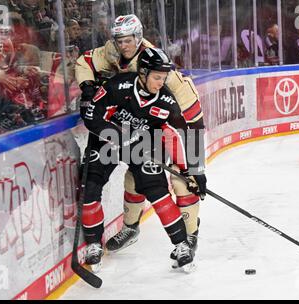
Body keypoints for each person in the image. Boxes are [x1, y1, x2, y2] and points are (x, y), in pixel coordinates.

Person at [75, 14, 205, 265]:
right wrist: (88, 85)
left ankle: (188, 239)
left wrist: (196, 167)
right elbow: (84, 61)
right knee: (129, 180)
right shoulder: (111, 51)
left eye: (128, 40)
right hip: (117, 125)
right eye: (118, 40)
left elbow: (193, 118)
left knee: (179, 182)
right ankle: (131, 228)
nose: (122, 45)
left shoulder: (163, 71)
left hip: (154, 127)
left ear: (139, 37)